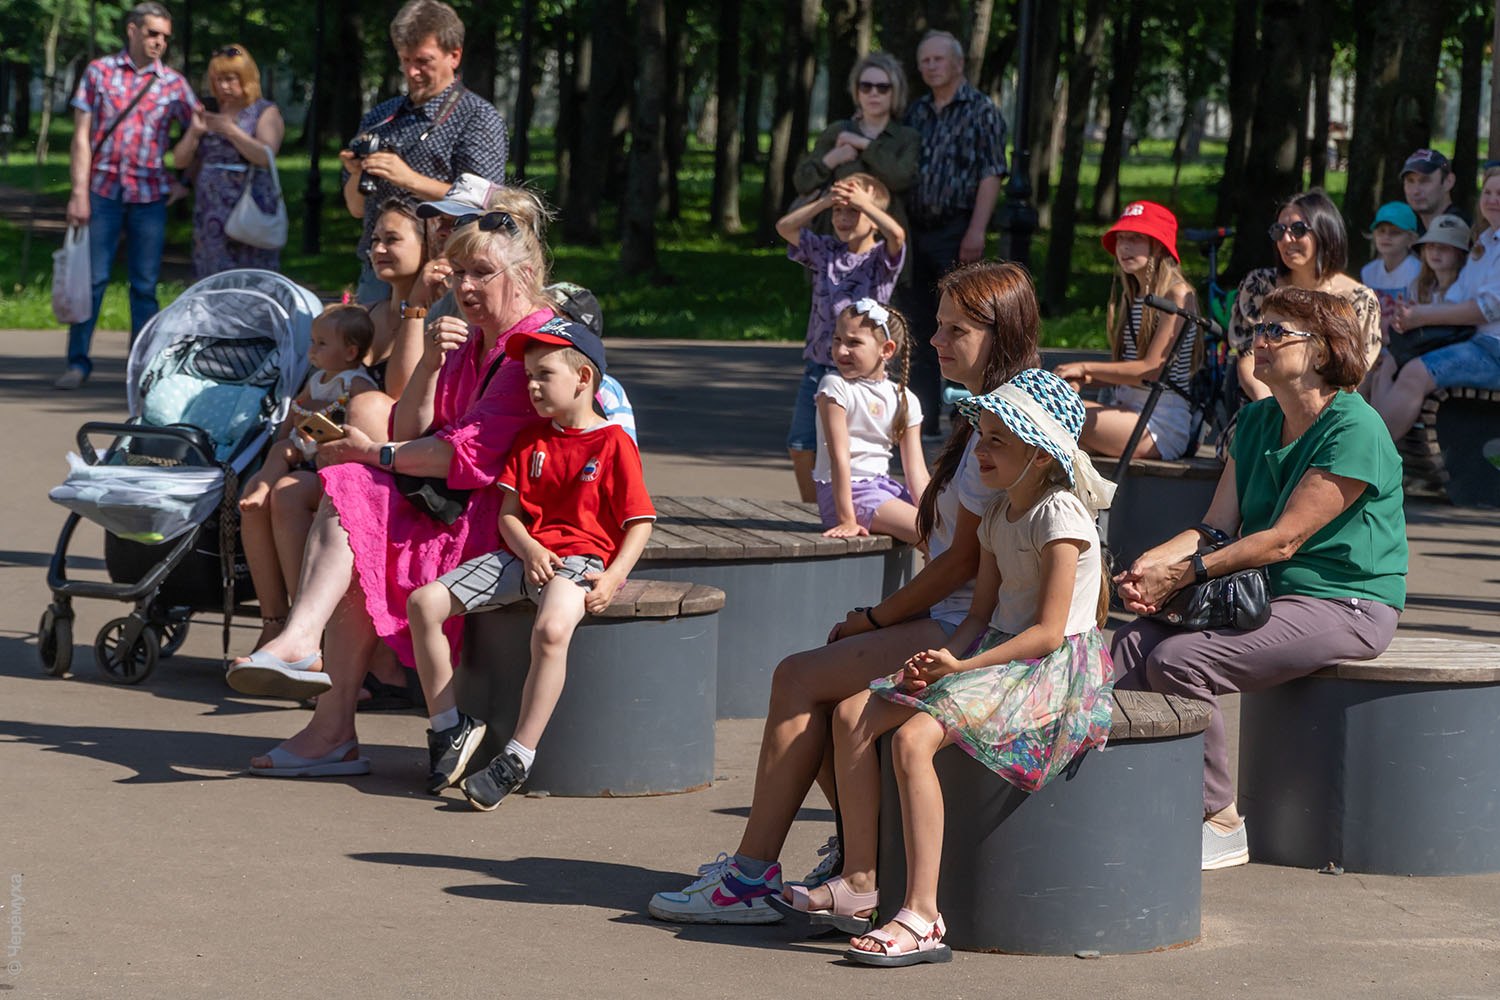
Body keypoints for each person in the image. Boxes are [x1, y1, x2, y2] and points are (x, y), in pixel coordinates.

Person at [647, 261, 1040, 926]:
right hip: (962, 617)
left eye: (956, 329)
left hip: (977, 629)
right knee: (832, 695)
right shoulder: (983, 413)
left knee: (798, 676)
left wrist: (874, 619)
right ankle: (855, 862)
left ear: (998, 333)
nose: (936, 341)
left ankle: (757, 879)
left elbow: (963, 564)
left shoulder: (1006, 421)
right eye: (939, 326)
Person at [788, 370, 1115, 967]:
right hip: (995, 649)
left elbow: (1047, 632)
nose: (980, 450)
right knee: (853, 714)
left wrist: (963, 664)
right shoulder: (997, 515)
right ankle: (860, 881)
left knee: (912, 739)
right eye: (980, 435)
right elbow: (980, 615)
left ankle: (922, 913)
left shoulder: (1060, 515)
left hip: (1048, 665)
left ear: (1041, 456)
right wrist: (940, 664)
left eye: (997, 440)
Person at [227, 191, 555, 777]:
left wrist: (371, 452)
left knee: (355, 488)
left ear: (525, 276)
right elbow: (412, 429)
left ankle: (320, 699)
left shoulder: (529, 347)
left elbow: (461, 456)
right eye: (459, 273)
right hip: (464, 501)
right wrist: (429, 362)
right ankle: (317, 691)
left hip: (518, 521)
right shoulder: (475, 336)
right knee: (355, 503)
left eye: (481, 273)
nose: (465, 287)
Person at [1111, 287, 1406, 871]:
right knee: (1126, 645)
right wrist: (1151, 564)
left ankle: (1220, 821)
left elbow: (1284, 540)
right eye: (1257, 330)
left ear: (1322, 350)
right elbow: (1215, 527)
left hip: (1347, 602)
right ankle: (1134, 798)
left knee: (1180, 661)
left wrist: (1185, 573)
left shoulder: (1355, 428)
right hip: (1273, 593)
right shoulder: (1254, 421)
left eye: (1276, 331)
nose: (1257, 342)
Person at [408, 318, 655, 808]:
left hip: (579, 561)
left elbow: (640, 522)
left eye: (544, 375)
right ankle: (448, 727)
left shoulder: (613, 443)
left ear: (583, 378)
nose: (532, 386)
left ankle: (518, 756)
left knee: (550, 630)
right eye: (528, 376)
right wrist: (530, 550)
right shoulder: (530, 440)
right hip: (521, 556)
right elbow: (509, 516)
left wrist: (614, 576)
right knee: (423, 603)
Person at [59, 1, 200, 389]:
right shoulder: (99, 72)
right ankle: (77, 363)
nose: (159, 42)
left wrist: (184, 182)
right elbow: (81, 137)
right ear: (132, 30)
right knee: (92, 281)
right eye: (153, 33)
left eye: (165, 37)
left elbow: (199, 132)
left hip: (149, 196)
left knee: (144, 286)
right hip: (102, 191)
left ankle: (141, 370)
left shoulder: (174, 83)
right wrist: (78, 193)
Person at [341, 0, 508, 303]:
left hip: (443, 272)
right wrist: (356, 175)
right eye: (404, 60)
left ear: (454, 55)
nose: (412, 71)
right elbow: (356, 209)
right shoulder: (381, 117)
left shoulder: (477, 117)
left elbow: (485, 204)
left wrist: (408, 179)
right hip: (379, 270)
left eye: (423, 61)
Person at [239, 305, 377, 650]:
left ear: (350, 352)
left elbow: (355, 425)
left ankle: (299, 625)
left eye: (321, 343)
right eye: (313, 341)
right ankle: (262, 485)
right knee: (278, 451)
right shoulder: (317, 379)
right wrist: (287, 433)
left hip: (329, 451)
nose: (312, 350)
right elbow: (294, 411)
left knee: (287, 472)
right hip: (306, 445)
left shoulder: (355, 382)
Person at [901, 29, 1008, 437]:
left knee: (963, 323)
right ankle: (922, 417)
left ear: (958, 63)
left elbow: (991, 173)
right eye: (924, 61)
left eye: (938, 59)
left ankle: (968, 416)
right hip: (915, 231)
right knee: (918, 323)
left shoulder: (982, 111)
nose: (930, 67)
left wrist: (976, 229)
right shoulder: (916, 112)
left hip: (958, 228)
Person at [776, 174, 906, 501]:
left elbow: (897, 235)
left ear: (873, 218)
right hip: (819, 367)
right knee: (800, 445)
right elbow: (785, 228)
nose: (844, 218)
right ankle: (813, 507)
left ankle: (853, 503)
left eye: (854, 211)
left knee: (851, 449)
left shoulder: (881, 258)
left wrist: (865, 203)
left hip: (861, 374)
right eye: (839, 211)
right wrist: (824, 202)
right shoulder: (826, 251)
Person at [1054, 200, 1201, 460]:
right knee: (1045, 429)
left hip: (1159, 423)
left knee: (1052, 413)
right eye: (1121, 238)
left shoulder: (1177, 294)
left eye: (1135, 238)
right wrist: (1082, 379)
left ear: (1159, 245)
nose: (1124, 246)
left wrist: (1086, 368)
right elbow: (1127, 372)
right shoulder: (1132, 297)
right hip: (1125, 411)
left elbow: (1152, 371)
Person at [1376, 168, 1500, 439]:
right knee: (1392, 358)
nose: (1492, 199)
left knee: (1415, 372)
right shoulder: (1485, 244)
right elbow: (1457, 297)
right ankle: (1373, 444)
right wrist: (1410, 316)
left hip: (1494, 350)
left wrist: (1422, 315)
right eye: (1488, 192)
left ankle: (1375, 452)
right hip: (1473, 342)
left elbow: (1485, 309)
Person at [1229, 190, 1380, 402]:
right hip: (1263, 402)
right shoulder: (1259, 286)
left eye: (1298, 229)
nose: (1286, 239)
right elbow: (1248, 358)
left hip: (1326, 410)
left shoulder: (1358, 300)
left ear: (1325, 233)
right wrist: (1274, 410)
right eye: (1279, 230)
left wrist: (1306, 415)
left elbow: (1351, 378)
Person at [812, 299, 927, 542]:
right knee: (929, 532)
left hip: (882, 489)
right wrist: (847, 519)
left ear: (886, 350)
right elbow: (839, 456)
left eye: (854, 343)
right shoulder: (835, 386)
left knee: (947, 530)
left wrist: (934, 511)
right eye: (837, 340)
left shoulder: (904, 398)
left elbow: (916, 470)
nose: (841, 351)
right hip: (847, 495)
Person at [174, 43, 284, 278]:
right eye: (218, 79)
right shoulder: (209, 110)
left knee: (251, 275)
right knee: (212, 275)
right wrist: (194, 132)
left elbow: (265, 157)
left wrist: (231, 131)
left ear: (246, 78)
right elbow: (180, 161)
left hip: (248, 206)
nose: (223, 86)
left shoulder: (264, 111)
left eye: (230, 79)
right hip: (210, 210)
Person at [792, 52, 920, 239]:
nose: (873, 93)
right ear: (857, 91)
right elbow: (802, 182)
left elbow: (899, 179)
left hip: (885, 239)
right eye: (866, 86)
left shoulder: (907, 137)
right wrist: (832, 159)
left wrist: (863, 145)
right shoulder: (837, 131)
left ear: (895, 92)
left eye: (883, 88)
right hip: (835, 237)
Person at [1359, 201, 1420, 336]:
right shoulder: (1368, 272)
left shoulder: (1417, 271)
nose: (1386, 237)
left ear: (1411, 239)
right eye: (1381, 231)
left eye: (1395, 232)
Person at [1408, 214, 1471, 304]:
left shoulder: (1466, 290)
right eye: (1430, 246)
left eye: (1444, 247)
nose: (1435, 252)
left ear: (1460, 254)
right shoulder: (1419, 287)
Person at [1402, 149, 1466, 233]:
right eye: (1410, 181)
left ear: (1448, 182)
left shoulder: (1463, 229)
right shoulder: (1408, 228)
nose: (1415, 191)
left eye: (1425, 181)